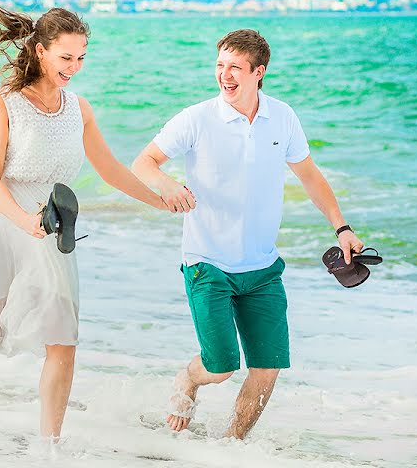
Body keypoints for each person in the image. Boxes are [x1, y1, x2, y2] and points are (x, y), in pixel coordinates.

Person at [0, 4, 168, 439]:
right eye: (66, 57)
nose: (75, 66)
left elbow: (110, 169)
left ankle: (49, 448)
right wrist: (23, 220)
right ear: (41, 50)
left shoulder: (78, 108)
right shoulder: (4, 103)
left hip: (52, 223)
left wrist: (158, 201)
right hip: (3, 218)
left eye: (82, 57)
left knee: (63, 336)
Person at [132, 29, 364, 439]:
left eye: (235, 67)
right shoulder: (197, 118)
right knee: (220, 368)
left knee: (267, 369)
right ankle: (188, 379)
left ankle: (230, 448)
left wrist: (341, 227)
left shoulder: (283, 117)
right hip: (208, 263)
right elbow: (144, 162)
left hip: (262, 268)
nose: (225, 75)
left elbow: (309, 175)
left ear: (259, 72)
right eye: (220, 66)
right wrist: (167, 185)